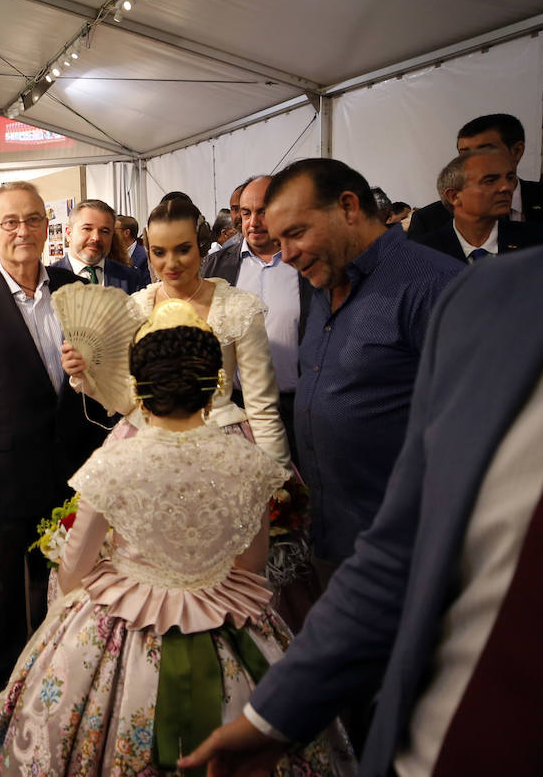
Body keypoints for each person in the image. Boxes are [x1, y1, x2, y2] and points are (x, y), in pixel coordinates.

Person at [180, 246, 543, 777]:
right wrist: (271, 719)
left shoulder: (435, 283)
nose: (291, 250)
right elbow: (397, 552)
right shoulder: (494, 296)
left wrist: (273, 476)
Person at [0, 302, 352, 776]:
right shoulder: (252, 464)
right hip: (226, 617)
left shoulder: (111, 465)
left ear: (137, 383)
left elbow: (74, 572)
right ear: (215, 383)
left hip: (122, 626)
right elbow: (252, 565)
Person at [0, 180, 106, 687]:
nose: (22, 231)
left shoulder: (73, 291)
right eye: (10, 222)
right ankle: (4, 684)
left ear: (48, 226)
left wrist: (88, 368)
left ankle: (59, 672)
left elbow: (100, 383)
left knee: (61, 578)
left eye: (32, 219)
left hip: (70, 469)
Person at [263, 158, 462, 578]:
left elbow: (474, 433)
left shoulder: (434, 286)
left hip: (407, 557)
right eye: (279, 241)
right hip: (333, 542)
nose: (286, 255)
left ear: (349, 207)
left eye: (296, 233)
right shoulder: (324, 282)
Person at [93, 194, 291, 470]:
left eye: (182, 249)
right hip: (147, 448)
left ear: (200, 246)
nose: (171, 263)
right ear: (148, 250)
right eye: (159, 252)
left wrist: (278, 479)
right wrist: (90, 373)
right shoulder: (134, 309)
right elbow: (128, 401)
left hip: (221, 449)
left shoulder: (237, 307)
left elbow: (262, 408)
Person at [202, 175, 312, 462]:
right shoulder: (217, 266)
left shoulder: (309, 262)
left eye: (262, 211)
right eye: (246, 213)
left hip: (299, 407)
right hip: (237, 410)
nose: (253, 223)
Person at [407, 112, 543, 238]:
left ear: (517, 151)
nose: (474, 162)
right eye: (465, 154)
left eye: (485, 151)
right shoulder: (429, 221)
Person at [415, 146, 543, 264]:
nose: (506, 187)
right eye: (490, 181)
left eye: (509, 178)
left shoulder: (536, 241)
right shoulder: (421, 254)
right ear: (454, 196)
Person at [48, 198, 145, 294]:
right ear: (69, 233)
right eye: (87, 229)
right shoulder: (47, 282)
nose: (96, 237)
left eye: (104, 231)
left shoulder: (131, 278)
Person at [117, 213, 149, 280]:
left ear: (126, 233)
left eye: (115, 230)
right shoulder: (111, 254)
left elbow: (144, 285)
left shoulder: (144, 257)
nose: (111, 233)